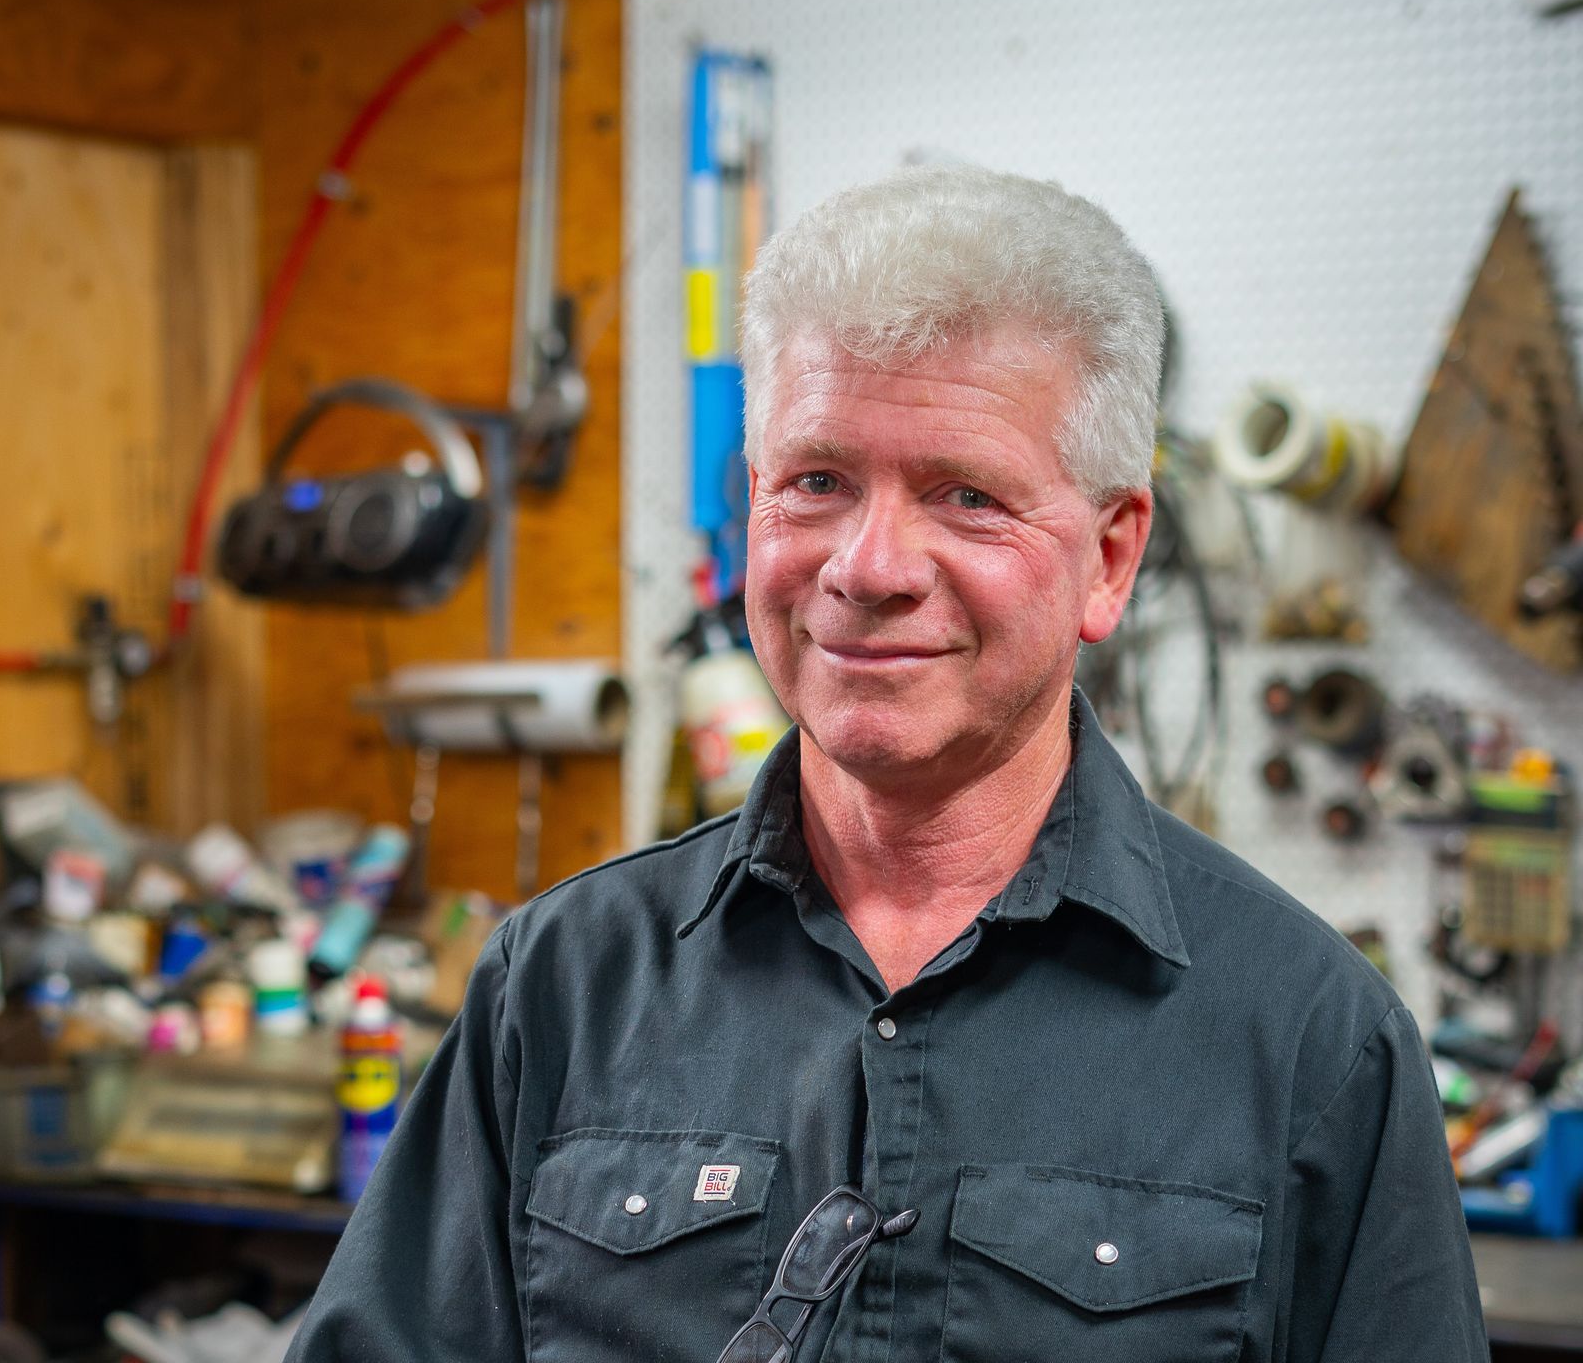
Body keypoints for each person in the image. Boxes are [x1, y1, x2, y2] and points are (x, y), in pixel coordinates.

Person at [285, 165, 1488, 1362]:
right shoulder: (557, 986)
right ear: (753, 504)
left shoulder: (1315, 1043)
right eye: (818, 482)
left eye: (966, 495)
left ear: (1111, 558)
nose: (868, 566)